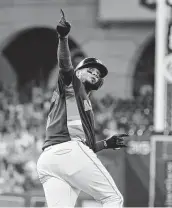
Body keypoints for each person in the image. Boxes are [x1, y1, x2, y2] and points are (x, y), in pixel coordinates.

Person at [37, 9, 128, 208]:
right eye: (91, 70)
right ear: (78, 72)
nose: (96, 75)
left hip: (49, 160)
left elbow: (84, 147)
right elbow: (65, 65)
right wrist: (63, 38)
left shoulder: (79, 99)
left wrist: (105, 144)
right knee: (113, 199)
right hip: (68, 152)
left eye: (99, 74)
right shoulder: (72, 84)